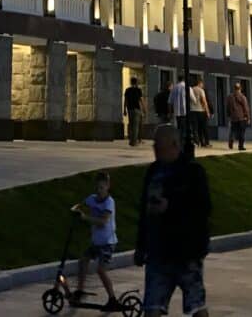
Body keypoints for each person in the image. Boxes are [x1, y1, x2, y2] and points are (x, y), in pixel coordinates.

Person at [135, 125, 211, 317]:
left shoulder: (193, 172)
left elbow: (202, 208)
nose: (155, 150)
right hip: (158, 253)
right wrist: (140, 246)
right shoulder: (153, 172)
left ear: (175, 145)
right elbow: (145, 211)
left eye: (160, 147)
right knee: (152, 307)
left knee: (196, 305)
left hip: (186, 253)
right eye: (154, 146)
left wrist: (171, 206)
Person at [71, 171, 120, 312]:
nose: (99, 191)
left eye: (102, 188)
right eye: (97, 188)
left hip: (108, 243)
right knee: (83, 261)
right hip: (96, 242)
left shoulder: (109, 202)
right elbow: (79, 205)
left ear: (108, 187)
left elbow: (103, 222)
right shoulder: (92, 199)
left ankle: (112, 299)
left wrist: (84, 217)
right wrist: (75, 209)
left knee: (100, 270)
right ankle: (79, 291)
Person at [227, 82, 251, 151]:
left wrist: (229, 115)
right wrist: (248, 117)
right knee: (242, 132)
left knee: (233, 130)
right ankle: (240, 146)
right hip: (242, 117)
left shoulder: (229, 97)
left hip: (233, 117)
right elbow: (246, 108)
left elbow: (228, 107)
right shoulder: (243, 97)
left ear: (234, 88)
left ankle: (231, 141)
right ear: (240, 88)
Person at [190, 77, 212, 148]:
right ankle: (206, 143)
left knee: (195, 128)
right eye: (202, 84)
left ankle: (197, 142)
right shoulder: (201, 90)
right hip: (201, 111)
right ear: (200, 83)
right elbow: (204, 101)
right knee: (204, 127)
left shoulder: (191, 89)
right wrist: (208, 111)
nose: (203, 85)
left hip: (193, 111)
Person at [124, 78, 146, 147]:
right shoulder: (138, 90)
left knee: (131, 125)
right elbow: (141, 100)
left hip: (129, 109)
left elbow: (126, 100)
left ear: (131, 82)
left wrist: (124, 110)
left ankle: (131, 141)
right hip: (137, 109)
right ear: (136, 83)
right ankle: (134, 142)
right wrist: (144, 109)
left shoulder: (127, 90)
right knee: (136, 126)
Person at [169, 75, 189, 148]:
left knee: (179, 126)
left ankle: (179, 141)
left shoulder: (174, 88)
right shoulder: (187, 87)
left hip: (177, 111)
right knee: (185, 127)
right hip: (185, 111)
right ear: (184, 79)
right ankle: (183, 142)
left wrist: (170, 112)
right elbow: (194, 99)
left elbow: (170, 101)